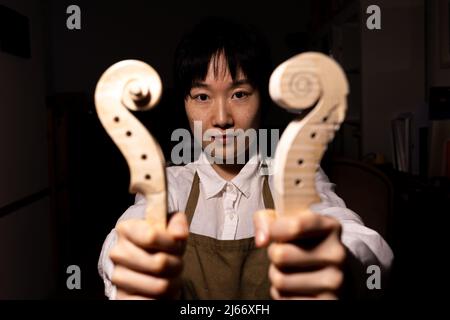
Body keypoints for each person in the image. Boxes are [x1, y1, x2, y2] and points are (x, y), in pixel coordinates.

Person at [98, 17, 393, 300]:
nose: (222, 119)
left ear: (262, 99)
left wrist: (342, 263)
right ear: (184, 105)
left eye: (239, 94)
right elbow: (131, 230)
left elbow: (364, 242)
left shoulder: (294, 176)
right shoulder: (170, 183)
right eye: (202, 97)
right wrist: (129, 264)